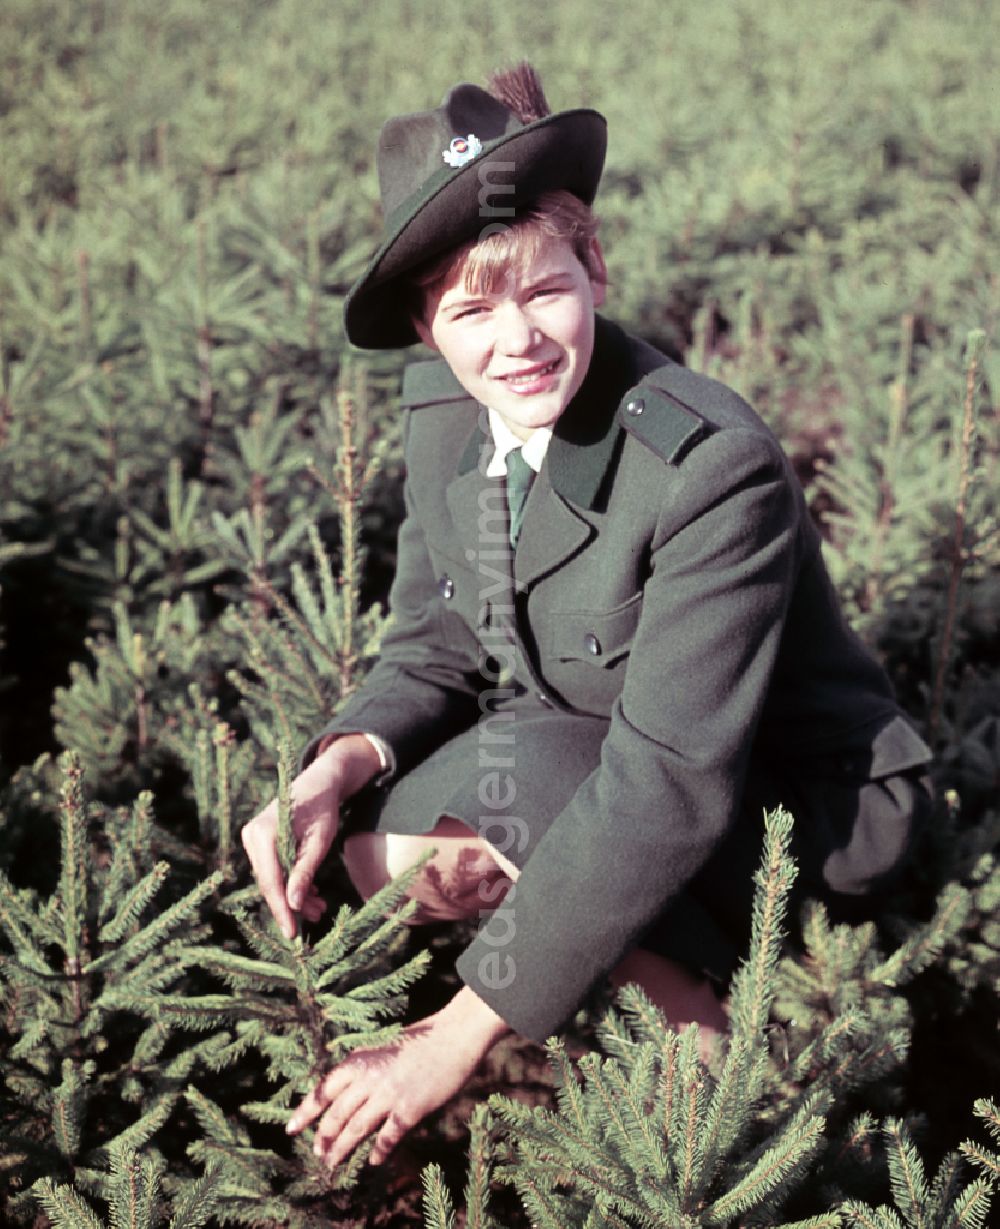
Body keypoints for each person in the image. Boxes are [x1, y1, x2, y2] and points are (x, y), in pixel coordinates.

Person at [241, 64, 932, 1171]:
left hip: (784, 806)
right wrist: (335, 761)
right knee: (379, 813)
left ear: (593, 268)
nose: (515, 340)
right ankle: (520, 904)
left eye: (543, 291)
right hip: (577, 747)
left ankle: (726, 1087)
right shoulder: (444, 424)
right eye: (471, 308)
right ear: (428, 330)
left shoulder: (708, 465)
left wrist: (446, 1039)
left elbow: (665, 779)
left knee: (539, 781)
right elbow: (436, 638)